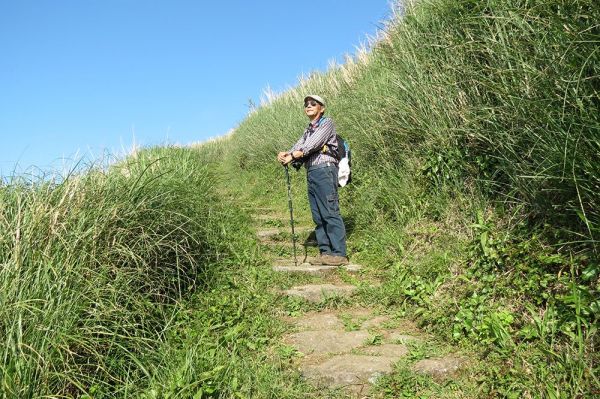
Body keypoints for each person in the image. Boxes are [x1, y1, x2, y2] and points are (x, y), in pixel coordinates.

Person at [277, 94, 348, 266]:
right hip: (312, 172)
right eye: (306, 104)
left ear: (321, 108)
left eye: (313, 103)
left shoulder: (327, 123)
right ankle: (325, 252)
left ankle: (339, 254)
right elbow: (298, 145)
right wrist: (286, 153)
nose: (308, 106)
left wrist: (293, 155)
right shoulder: (308, 129)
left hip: (325, 170)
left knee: (330, 211)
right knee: (318, 215)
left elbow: (312, 145)